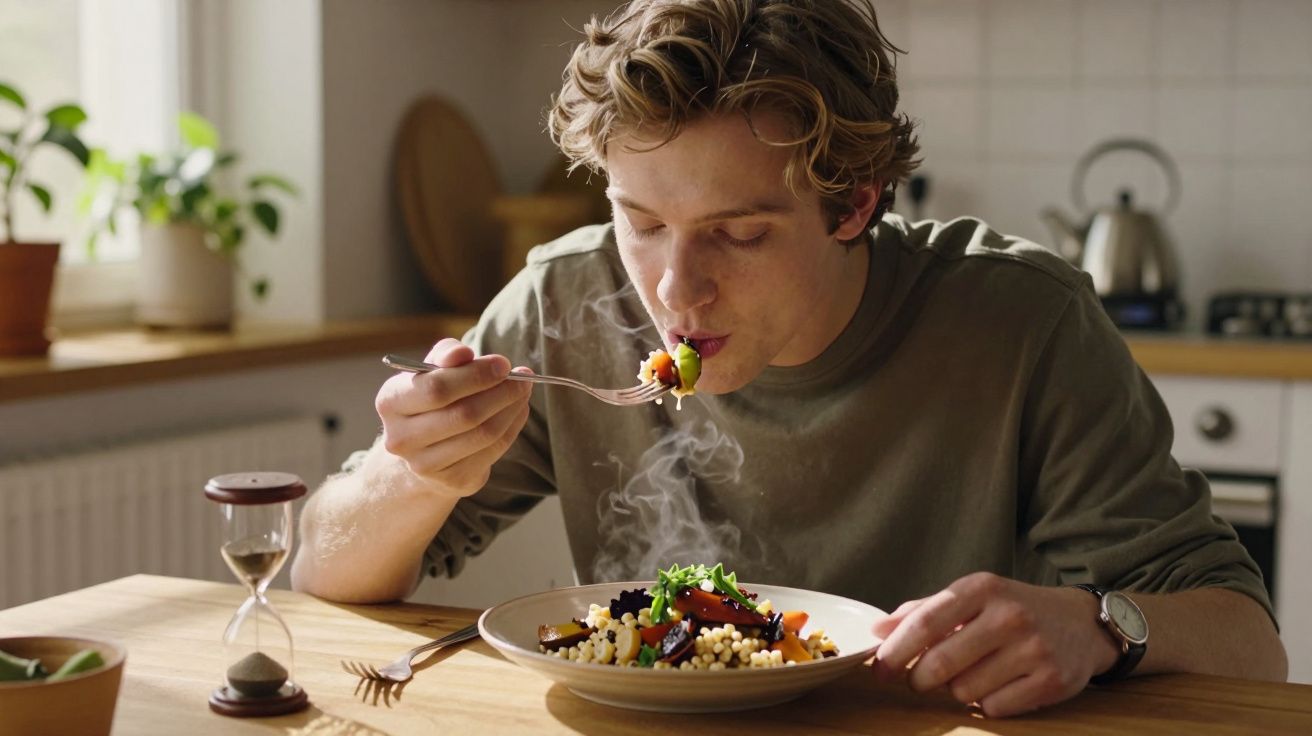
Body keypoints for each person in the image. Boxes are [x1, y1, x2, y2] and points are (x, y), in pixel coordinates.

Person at [292, 0, 1287, 717]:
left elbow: (1251, 641)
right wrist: (406, 467)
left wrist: (1104, 627)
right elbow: (324, 571)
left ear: (854, 205)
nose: (675, 287)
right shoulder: (567, 296)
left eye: (739, 232)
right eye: (641, 220)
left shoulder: (1021, 320)